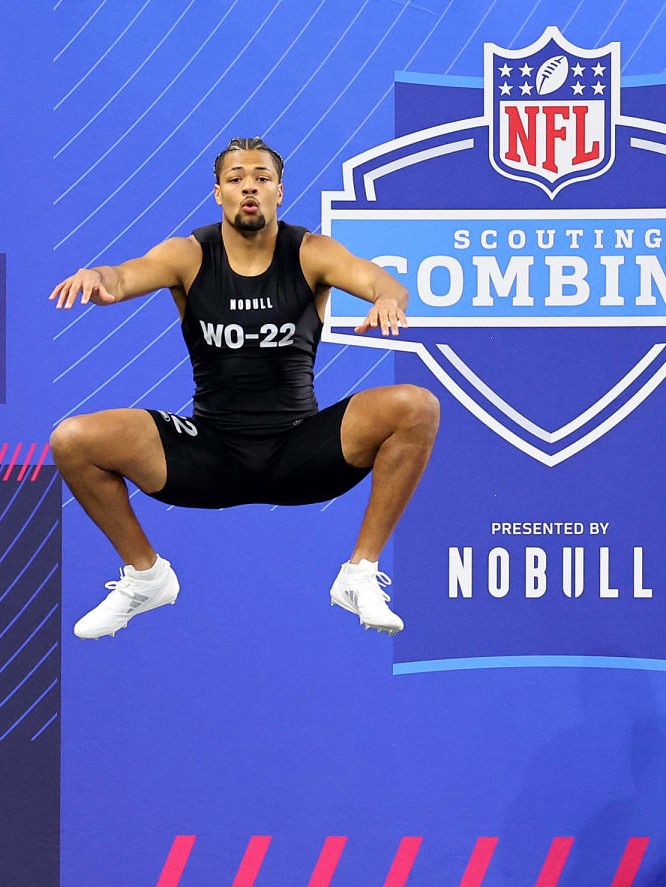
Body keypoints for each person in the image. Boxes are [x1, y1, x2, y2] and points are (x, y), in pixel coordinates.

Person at [48, 136, 439, 639]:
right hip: (210, 453)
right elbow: (121, 277)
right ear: (219, 193)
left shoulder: (312, 252)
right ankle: (146, 577)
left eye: (261, 177)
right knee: (73, 439)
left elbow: (383, 282)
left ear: (280, 191)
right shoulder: (187, 255)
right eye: (235, 179)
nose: (248, 187)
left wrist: (387, 299)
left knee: (416, 405)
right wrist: (96, 276)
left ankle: (359, 574)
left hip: (301, 452)